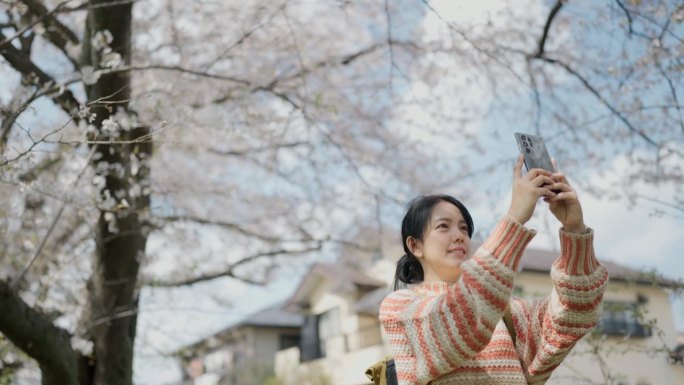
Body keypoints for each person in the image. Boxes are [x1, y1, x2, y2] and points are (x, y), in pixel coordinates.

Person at [379, 155, 609, 385]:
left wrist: (575, 230)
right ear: (414, 245)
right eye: (443, 226)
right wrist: (514, 218)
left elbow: (577, 311)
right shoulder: (399, 308)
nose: (460, 236)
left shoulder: (510, 311)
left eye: (464, 228)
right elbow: (462, 317)